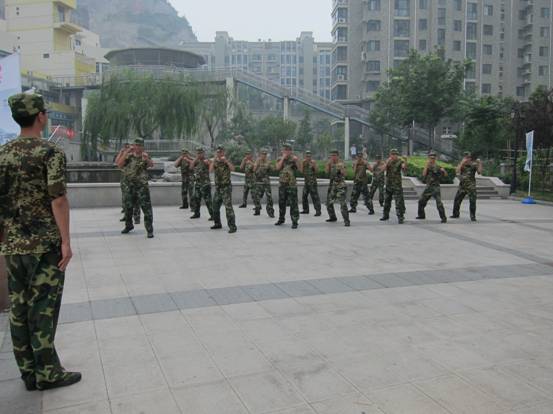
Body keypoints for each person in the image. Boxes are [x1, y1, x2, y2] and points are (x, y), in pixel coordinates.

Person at [0, 92, 81, 391]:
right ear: (41, 117)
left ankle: (28, 372)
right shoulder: (49, 152)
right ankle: (47, 372)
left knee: (19, 308)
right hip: (44, 245)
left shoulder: (2, 154)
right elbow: (57, 198)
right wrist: (65, 241)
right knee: (43, 307)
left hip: (13, 245)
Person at [117, 138, 155, 238]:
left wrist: (147, 159)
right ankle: (129, 225)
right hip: (130, 186)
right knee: (128, 207)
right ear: (133, 146)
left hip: (142, 187)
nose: (137, 147)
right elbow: (119, 165)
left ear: (142, 147)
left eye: (139, 145)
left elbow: (151, 165)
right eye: (136, 145)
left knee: (146, 208)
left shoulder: (145, 156)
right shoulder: (129, 156)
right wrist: (126, 152)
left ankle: (149, 230)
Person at [210, 146, 237, 233]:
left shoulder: (227, 161)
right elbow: (210, 170)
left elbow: (233, 169)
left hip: (226, 188)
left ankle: (232, 227)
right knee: (215, 206)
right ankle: (217, 223)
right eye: (218, 152)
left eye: (221, 152)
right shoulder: (215, 162)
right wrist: (214, 160)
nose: (219, 154)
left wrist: (226, 161)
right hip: (218, 188)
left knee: (228, 208)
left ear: (223, 152)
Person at [416, 151, 448, 223]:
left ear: (435, 159)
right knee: (421, 201)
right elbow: (424, 174)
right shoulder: (427, 166)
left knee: (439, 203)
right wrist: (426, 166)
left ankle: (443, 218)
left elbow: (446, 175)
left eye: (433, 158)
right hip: (428, 187)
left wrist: (444, 171)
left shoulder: (438, 167)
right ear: (428, 158)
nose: (432, 159)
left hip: (435, 187)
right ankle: (421, 215)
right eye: (430, 158)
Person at [451, 152, 483, 221]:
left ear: (470, 158)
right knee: (457, 200)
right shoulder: (461, 165)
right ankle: (455, 214)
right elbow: (457, 171)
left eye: (468, 158)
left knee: (472, 201)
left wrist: (480, 163)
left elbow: (479, 172)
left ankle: (472, 216)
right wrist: (462, 163)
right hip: (462, 186)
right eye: (466, 157)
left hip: (471, 186)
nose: (467, 159)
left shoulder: (474, 165)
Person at [275, 144, 300, 229]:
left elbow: (301, 169)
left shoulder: (294, 159)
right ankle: (281, 219)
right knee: (281, 203)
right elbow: (277, 168)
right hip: (282, 185)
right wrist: (283, 158)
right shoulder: (279, 159)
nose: (286, 151)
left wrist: (297, 161)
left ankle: (295, 221)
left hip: (291, 185)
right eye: (284, 150)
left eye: (288, 150)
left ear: (290, 151)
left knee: (293, 204)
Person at [116, 143, 140, 224]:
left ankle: (136, 217)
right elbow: (117, 162)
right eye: (126, 147)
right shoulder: (126, 155)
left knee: (136, 200)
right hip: (125, 181)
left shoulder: (136, 155)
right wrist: (122, 152)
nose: (128, 148)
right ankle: (126, 215)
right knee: (126, 199)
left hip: (135, 181)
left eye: (129, 146)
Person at [381, 149, 407, 224]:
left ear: (397, 155)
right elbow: (382, 170)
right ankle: (385, 215)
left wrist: (405, 161)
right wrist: (387, 163)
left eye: (395, 154)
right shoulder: (388, 161)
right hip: (389, 185)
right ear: (390, 155)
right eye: (392, 154)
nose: (393, 156)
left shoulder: (400, 161)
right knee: (387, 201)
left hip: (397, 186)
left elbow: (404, 168)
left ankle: (400, 217)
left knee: (398, 202)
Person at [325, 150, 350, 227]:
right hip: (333, 186)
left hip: (341, 186)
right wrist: (328, 164)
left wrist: (341, 169)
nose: (333, 157)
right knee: (328, 203)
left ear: (338, 156)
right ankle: (332, 217)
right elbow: (326, 172)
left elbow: (345, 174)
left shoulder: (341, 163)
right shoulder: (330, 163)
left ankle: (346, 221)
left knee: (342, 204)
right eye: (332, 155)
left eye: (335, 155)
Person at [190, 148, 213, 220]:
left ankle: (213, 215)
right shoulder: (197, 161)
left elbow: (211, 168)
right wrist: (196, 158)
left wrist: (209, 163)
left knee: (208, 201)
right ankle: (196, 213)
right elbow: (191, 167)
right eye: (198, 153)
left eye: (200, 153)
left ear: (203, 153)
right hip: (198, 184)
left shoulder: (206, 160)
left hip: (205, 184)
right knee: (196, 199)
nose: (199, 154)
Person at [253, 149, 275, 218]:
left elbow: (273, 170)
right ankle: (257, 210)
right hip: (259, 182)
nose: (264, 155)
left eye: (265, 154)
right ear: (260, 155)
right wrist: (256, 165)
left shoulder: (268, 162)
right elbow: (254, 170)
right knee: (257, 197)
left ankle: (270, 212)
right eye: (263, 154)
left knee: (269, 197)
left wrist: (269, 165)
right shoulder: (257, 161)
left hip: (266, 182)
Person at [300, 150, 322, 216]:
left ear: (311, 156)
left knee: (315, 197)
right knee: (304, 196)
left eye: (309, 156)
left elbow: (317, 171)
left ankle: (318, 211)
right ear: (305, 156)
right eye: (307, 156)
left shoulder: (313, 162)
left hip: (312, 183)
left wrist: (313, 166)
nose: (308, 158)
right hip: (306, 183)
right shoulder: (304, 162)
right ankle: (305, 209)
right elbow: (301, 171)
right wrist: (302, 164)